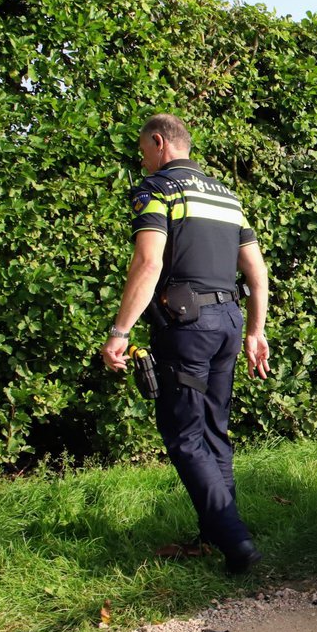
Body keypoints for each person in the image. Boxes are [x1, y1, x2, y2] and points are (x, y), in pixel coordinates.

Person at [100, 114, 271, 574]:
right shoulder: (226, 196)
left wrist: (119, 332)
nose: (143, 162)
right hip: (229, 322)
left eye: (143, 152)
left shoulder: (156, 189)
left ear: (159, 142)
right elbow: (256, 273)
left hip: (186, 324)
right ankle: (220, 537)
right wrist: (256, 331)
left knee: (185, 437)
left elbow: (148, 262)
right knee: (213, 431)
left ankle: (235, 541)